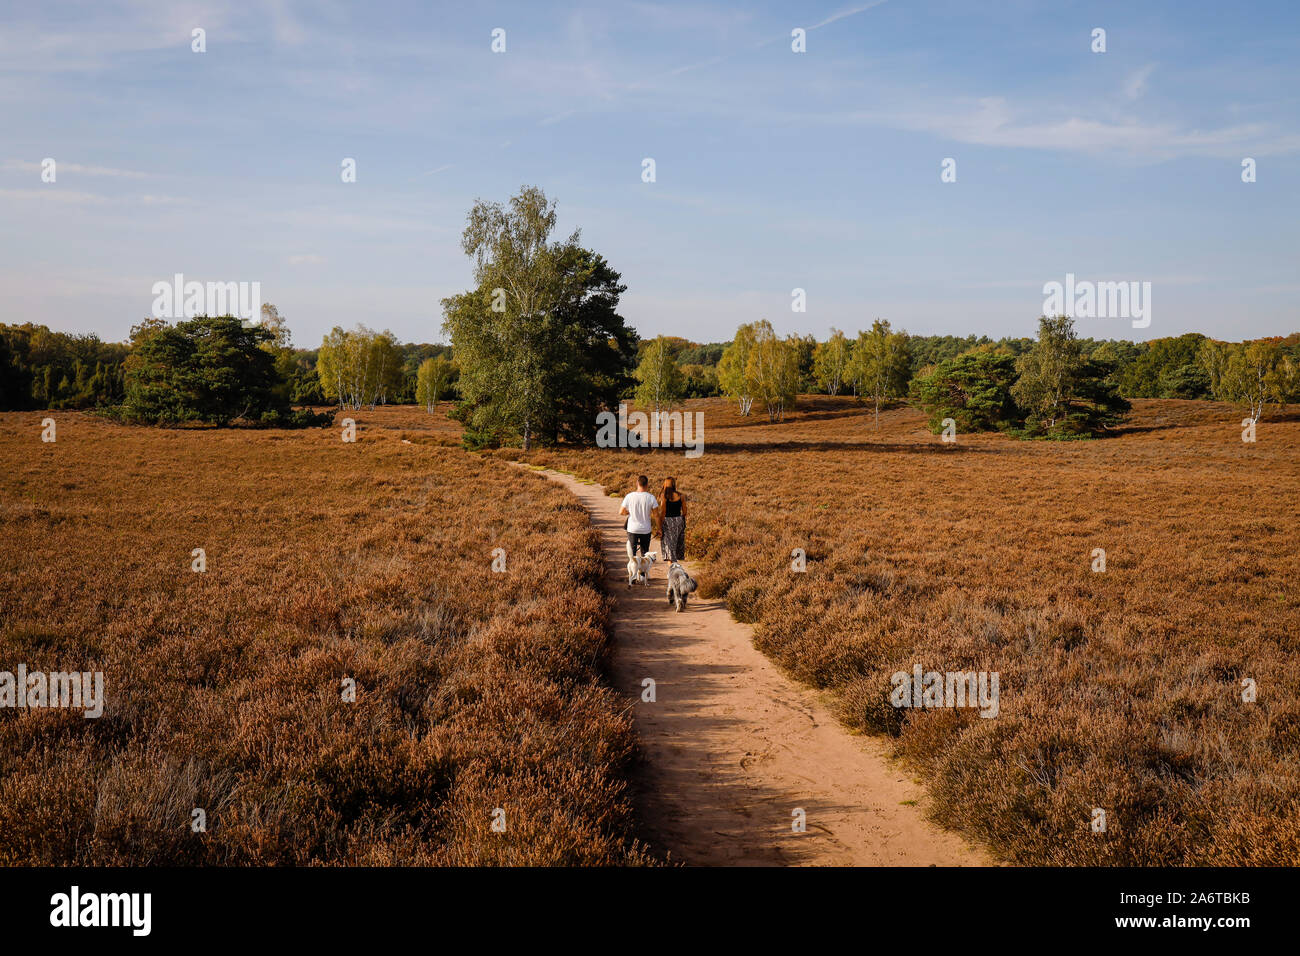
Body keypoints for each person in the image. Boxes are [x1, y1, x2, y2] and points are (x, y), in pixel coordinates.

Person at [619, 475, 658, 564]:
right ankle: (643, 575)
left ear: (637, 483)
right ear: (647, 485)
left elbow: (621, 512)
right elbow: (656, 515)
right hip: (646, 529)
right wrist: (659, 528)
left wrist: (628, 512)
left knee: (632, 554)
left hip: (632, 529)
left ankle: (633, 575)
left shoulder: (629, 496)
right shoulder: (651, 497)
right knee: (645, 553)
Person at [657, 476, 688, 563]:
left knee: (669, 545)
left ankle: (673, 567)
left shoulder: (663, 496)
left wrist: (660, 525)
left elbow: (663, 512)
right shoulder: (681, 496)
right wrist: (680, 520)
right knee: (676, 543)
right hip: (679, 521)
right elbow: (685, 512)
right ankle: (674, 564)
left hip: (668, 521)